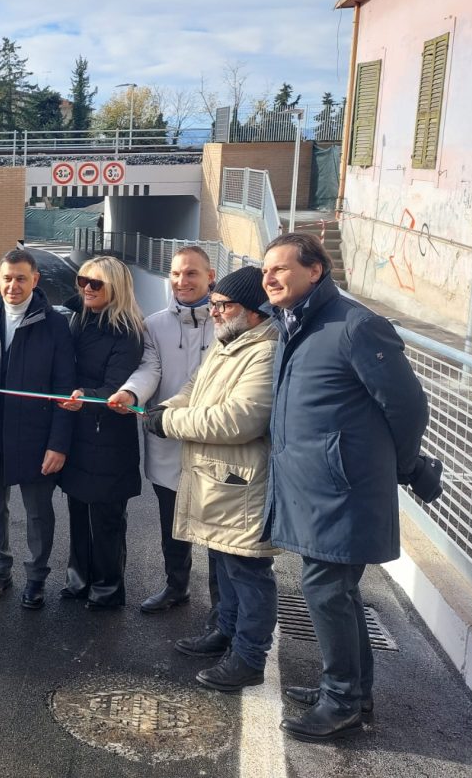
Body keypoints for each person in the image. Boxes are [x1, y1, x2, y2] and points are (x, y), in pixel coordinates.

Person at [261, 232, 428, 742]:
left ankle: (342, 701)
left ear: (316, 270)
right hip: (316, 487)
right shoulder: (296, 322)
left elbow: (408, 407)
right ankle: (353, 689)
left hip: (342, 488)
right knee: (338, 591)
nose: (269, 278)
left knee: (325, 590)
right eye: (265, 270)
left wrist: (402, 466)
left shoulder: (356, 325)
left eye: (280, 269)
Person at [144, 265, 280, 692]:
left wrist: (172, 423)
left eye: (224, 305)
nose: (215, 312)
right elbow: (194, 388)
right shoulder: (229, 342)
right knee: (223, 564)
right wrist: (167, 408)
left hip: (242, 484)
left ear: (254, 310)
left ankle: (249, 657)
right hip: (218, 482)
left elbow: (240, 419)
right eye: (215, 305)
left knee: (248, 572)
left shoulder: (266, 350)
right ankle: (225, 631)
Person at [0, 249, 75, 609]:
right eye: (7, 278)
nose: (13, 286)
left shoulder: (55, 326)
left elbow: (65, 389)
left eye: (21, 278)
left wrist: (58, 444)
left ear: (35, 280)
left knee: (38, 513)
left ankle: (35, 577)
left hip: (36, 439)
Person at [108, 246, 219, 619]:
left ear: (210, 276)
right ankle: (177, 585)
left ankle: (224, 608)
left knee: (219, 531)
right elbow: (149, 369)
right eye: (176, 274)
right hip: (166, 438)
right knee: (172, 521)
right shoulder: (153, 324)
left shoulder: (228, 321)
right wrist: (130, 392)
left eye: (191, 274)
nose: (181, 281)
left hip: (215, 441)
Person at [58, 256, 145, 610]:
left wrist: (85, 397)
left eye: (97, 284)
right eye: (83, 281)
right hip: (78, 432)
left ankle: (108, 588)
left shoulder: (128, 331)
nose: (87, 289)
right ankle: (78, 581)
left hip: (107, 437)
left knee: (106, 520)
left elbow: (114, 386)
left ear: (117, 288)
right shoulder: (80, 318)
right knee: (78, 513)